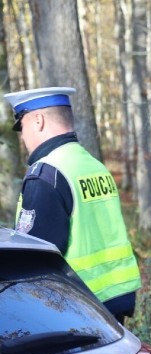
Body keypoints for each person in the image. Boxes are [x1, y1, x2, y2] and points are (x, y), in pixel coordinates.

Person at [4, 86, 141, 324]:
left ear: (38, 121)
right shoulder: (93, 165)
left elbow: (34, 254)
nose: (23, 136)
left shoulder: (47, 173)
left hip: (74, 307)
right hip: (113, 299)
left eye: (22, 126)